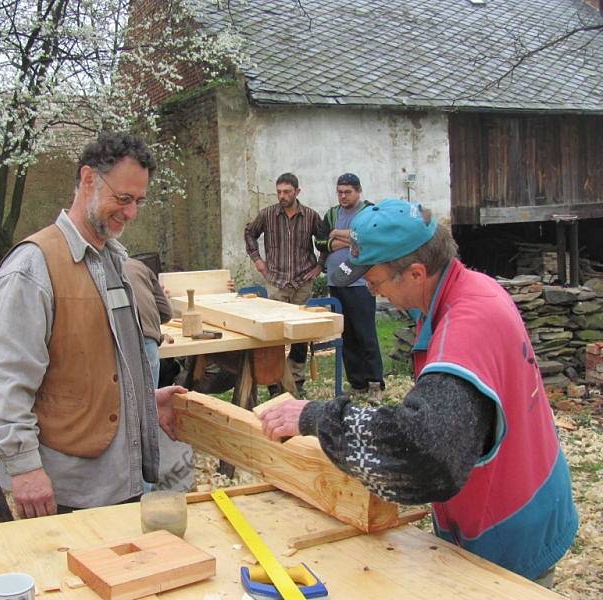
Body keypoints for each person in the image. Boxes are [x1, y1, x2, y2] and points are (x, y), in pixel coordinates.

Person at [258, 199, 578, 585]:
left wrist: (316, 418)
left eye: (375, 282)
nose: (374, 293)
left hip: (507, 529)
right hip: (524, 494)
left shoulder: (468, 326)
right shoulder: (469, 290)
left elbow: (424, 451)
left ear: (414, 273)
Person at [0, 132, 186, 518]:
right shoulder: (32, 266)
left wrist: (140, 399)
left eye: (139, 201)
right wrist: (24, 467)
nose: (131, 213)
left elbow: (100, 360)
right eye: (123, 199)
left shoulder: (112, 259)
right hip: (66, 487)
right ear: (88, 179)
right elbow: (4, 380)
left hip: (119, 481)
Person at [244, 173, 325, 396]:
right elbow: (249, 233)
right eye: (279, 192)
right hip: (277, 281)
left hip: (302, 281)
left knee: (300, 333)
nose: (282, 196)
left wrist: (320, 266)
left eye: (287, 192)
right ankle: (274, 383)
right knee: (275, 333)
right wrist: (258, 261)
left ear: (297, 192)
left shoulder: (310, 216)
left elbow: (325, 241)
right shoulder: (268, 215)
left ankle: (296, 380)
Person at [125, 258, 194, 491]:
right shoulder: (140, 267)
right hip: (147, 341)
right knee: (146, 420)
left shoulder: (93, 267)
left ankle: (136, 493)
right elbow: (166, 313)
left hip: (113, 344)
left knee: (127, 419)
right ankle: (146, 491)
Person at [315, 173, 384, 392]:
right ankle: (357, 383)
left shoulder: (369, 211)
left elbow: (368, 238)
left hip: (360, 283)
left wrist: (339, 235)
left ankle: (374, 382)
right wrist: (341, 240)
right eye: (340, 192)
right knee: (346, 335)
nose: (343, 196)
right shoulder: (332, 213)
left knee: (365, 334)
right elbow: (321, 242)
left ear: (358, 191)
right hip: (336, 283)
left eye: (347, 192)